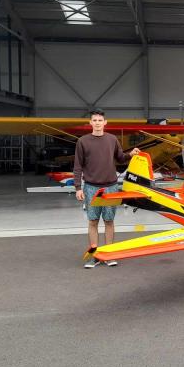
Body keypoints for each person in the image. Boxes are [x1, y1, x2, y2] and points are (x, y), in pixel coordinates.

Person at [74, 109, 141, 268]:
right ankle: (94, 256)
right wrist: (78, 188)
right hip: (91, 187)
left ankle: (109, 254)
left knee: (109, 221)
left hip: (111, 187)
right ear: (90, 123)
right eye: (94, 120)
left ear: (105, 122)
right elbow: (78, 166)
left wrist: (130, 154)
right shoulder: (82, 141)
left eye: (100, 120)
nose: (97, 123)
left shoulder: (112, 139)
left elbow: (120, 158)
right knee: (93, 221)